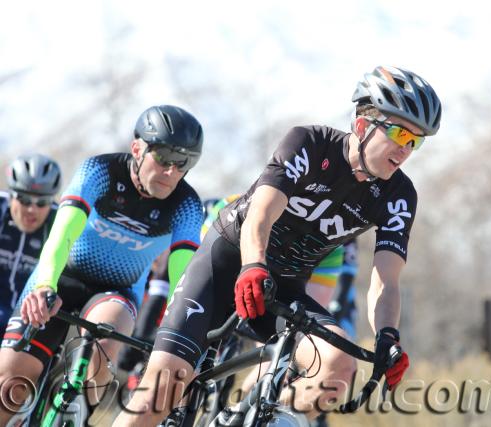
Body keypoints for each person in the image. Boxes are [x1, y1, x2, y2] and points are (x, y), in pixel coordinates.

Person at [116, 65, 442, 426]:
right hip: (227, 263)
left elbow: (386, 278)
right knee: (160, 394)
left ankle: (242, 419)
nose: (406, 149)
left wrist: (388, 336)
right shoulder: (309, 143)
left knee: (337, 368)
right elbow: (261, 215)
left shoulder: (399, 194)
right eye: (399, 133)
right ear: (363, 125)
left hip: (284, 285)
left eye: (417, 140)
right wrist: (252, 265)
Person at [0, 105, 205, 424]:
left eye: (185, 163)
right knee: (9, 381)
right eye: (164, 157)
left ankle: (75, 413)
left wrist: (183, 331)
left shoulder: (187, 206)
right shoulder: (100, 171)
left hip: (116, 291)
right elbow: (62, 235)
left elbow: (184, 276)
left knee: (105, 339)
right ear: (137, 148)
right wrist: (44, 286)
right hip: (60, 277)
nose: (172, 172)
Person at [0, 154, 62, 334]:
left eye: (42, 202)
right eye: (24, 199)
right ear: (11, 195)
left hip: (30, 317)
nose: (31, 209)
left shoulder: (58, 221)